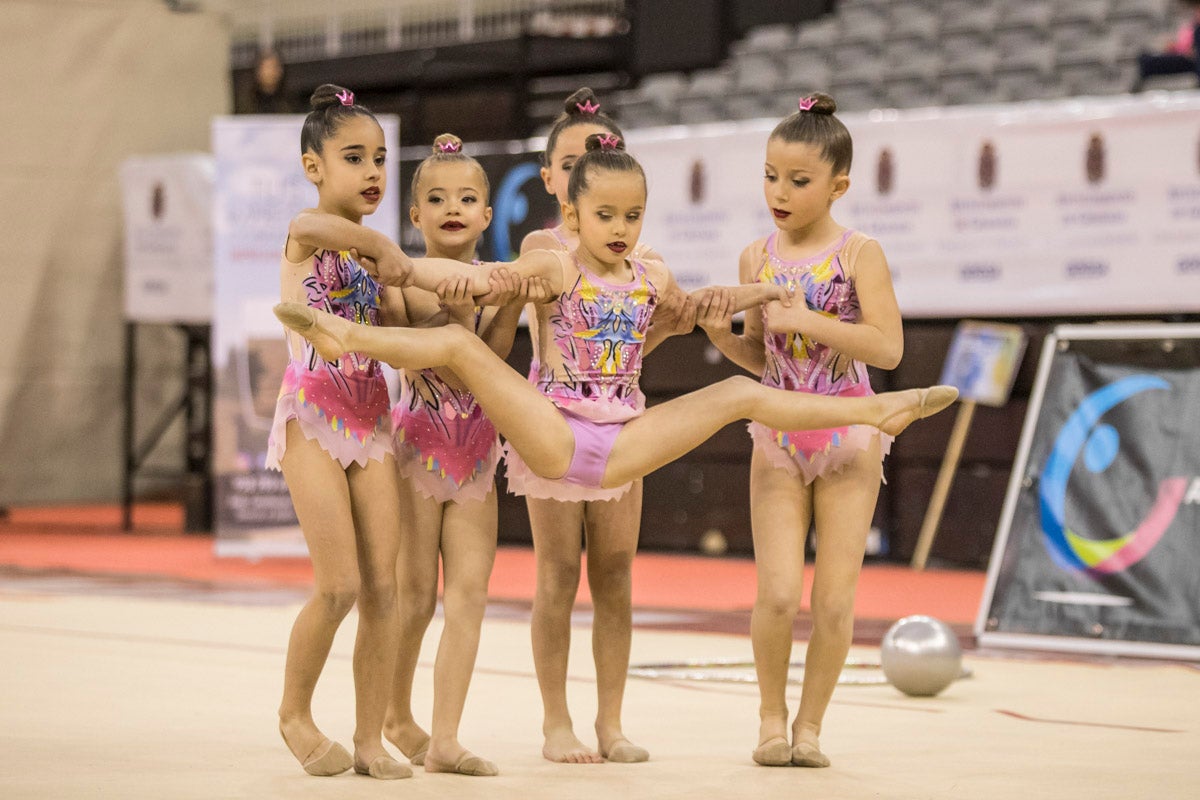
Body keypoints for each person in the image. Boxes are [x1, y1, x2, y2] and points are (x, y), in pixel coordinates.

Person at [272, 138, 960, 744]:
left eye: (633, 216)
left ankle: (878, 413)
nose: (621, 229)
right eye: (605, 216)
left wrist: (741, 302)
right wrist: (413, 271)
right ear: (571, 217)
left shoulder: (650, 277)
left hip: (622, 440)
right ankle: (348, 335)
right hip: (559, 435)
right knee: (454, 344)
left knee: (738, 397)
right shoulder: (555, 267)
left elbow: (694, 311)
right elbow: (488, 278)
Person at [697, 92, 913, 768]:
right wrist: (719, 336)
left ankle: (811, 726)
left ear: (838, 185)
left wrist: (813, 323)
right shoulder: (754, 258)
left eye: (798, 180)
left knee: (834, 596)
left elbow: (888, 350)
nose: (779, 192)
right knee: (779, 592)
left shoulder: (859, 254)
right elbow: (764, 358)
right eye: (769, 175)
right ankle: (770, 716)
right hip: (780, 433)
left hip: (848, 432)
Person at [515, 87, 689, 765]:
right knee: (557, 574)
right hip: (554, 423)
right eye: (571, 158)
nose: (585, 165)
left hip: (618, 415)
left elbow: (649, 323)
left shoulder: (633, 258)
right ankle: (556, 721)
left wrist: (665, 302)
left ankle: (610, 721)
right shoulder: (544, 246)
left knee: (615, 574)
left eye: (597, 151)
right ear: (556, 182)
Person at [381, 134, 540, 777]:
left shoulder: (495, 287)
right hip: (417, 450)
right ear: (416, 216)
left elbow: (493, 366)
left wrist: (511, 302)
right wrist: (446, 319)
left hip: (475, 453)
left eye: (468, 198)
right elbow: (399, 354)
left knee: (469, 595)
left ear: (485, 215)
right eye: (438, 198)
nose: (454, 207)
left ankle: (445, 737)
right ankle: (393, 714)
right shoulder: (401, 284)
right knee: (415, 596)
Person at [266, 84, 410, 780]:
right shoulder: (309, 231)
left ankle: (368, 738)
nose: (373, 171)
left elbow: (418, 303)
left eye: (380, 158)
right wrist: (382, 243)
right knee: (339, 586)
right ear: (313, 166)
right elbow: (321, 230)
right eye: (354, 157)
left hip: (372, 422)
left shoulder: (373, 264)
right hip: (313, 420)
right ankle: (294, 714)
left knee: (386, 589)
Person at [1132, 1, 1200, 92]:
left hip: (1192, 60)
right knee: (1146, 60)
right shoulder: (1192, 29)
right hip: (1189, 58)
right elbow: (1186, 48)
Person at [237, 47, 299, 114]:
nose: (271, 72)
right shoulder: (246, 103)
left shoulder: (290, 101)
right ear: (258, 71)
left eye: (274, 67)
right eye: (267, 68)